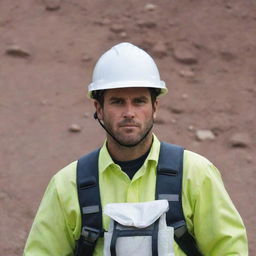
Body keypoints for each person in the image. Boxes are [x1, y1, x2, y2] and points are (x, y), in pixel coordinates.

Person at [23, 42, 248, 255]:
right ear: (99, 109)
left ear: (155, 107)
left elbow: (230, 250)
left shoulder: (196, 174)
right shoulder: (67, 184)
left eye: (139, 101)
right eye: (118, 101)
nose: (129, 112)